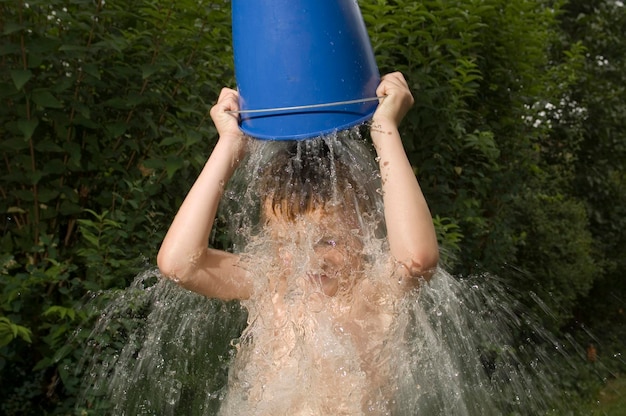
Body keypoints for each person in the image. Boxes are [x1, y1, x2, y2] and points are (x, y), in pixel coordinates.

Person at [157, 72, 439, 415]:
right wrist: (229, 144)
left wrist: (385, 130)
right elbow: (179, 265)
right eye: (288, 245)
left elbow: (416, 259)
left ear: (365, 232)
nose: (310, 260)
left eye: (328, 241)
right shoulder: (270, 284)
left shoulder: (373, 295)